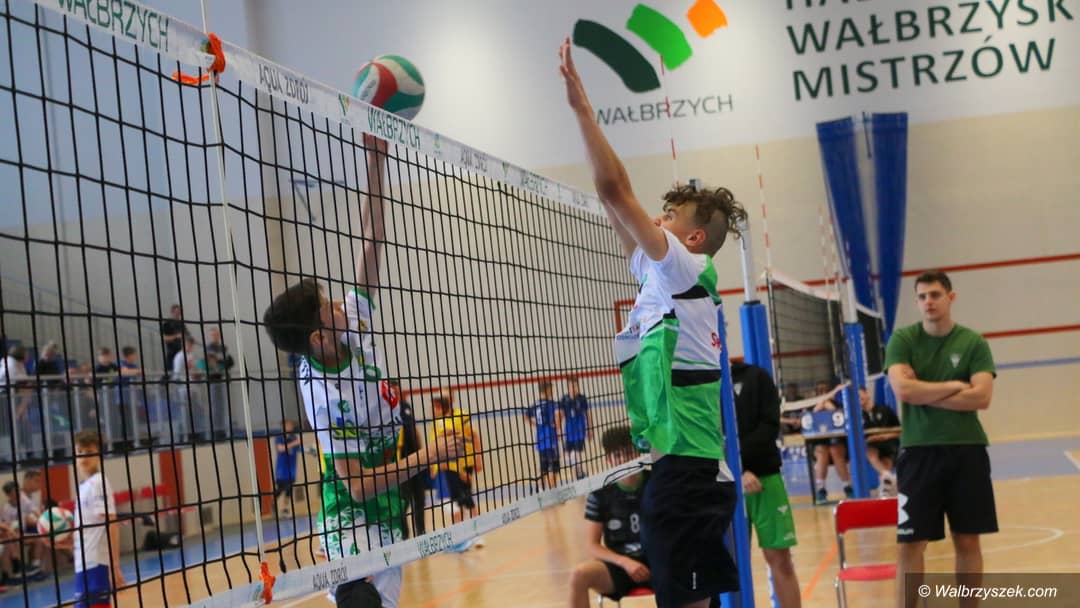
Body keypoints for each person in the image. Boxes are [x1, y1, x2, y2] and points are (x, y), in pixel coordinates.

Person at [560, 39, 747, 608]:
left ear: (693, 237)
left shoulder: (686, 265)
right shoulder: (662, 276)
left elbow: (617, 190)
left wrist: (583, 112)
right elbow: (610, 199)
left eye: (668, 216)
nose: (657, 221)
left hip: (688, 473)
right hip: (677, 471)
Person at [261, 135, 464, 608]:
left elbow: (373, 240)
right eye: (328, 305)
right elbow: (355, 485)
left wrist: (376, 160)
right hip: (349, 516)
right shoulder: (324, 395)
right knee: (361, 599)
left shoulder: (349, 326)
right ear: (318, 338)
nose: (339, 302)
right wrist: (429, 455)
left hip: (389, 507)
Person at [885, 271, 997, 608]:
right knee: (910, 544)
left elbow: (982, 397)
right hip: (918, 454)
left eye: (935, 295)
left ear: (951, 297)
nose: (928, 302)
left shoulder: (973, 343)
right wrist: (954, 386)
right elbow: (903, 390)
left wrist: (924, 392)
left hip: (967, 451)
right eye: (922, 297)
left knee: (967, 541)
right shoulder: (903, 340)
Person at [731, 361, 801, 608]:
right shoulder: (701, 380)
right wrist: (737, 471)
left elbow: (770, 426)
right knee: (730, 565)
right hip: (726, 483)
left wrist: (740, 461)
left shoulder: (756, 376)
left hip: (765, 478)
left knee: (780, 559)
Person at [568, 426, 649, 608]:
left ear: (638, 453)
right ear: (608, 459)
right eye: (617, 455)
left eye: (629, 453)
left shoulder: (655, 484)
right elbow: (592, 545)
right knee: (579, 575)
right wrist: (624, 562)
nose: (624, 460)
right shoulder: (600, 494)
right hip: (618, 566)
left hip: (657, 562)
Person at [71, 430, 125, 608]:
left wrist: (114, 566)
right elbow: (89, 531)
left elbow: (112, 523)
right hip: (83, 565)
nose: (84, 457)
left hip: (96, 564)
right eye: (80, 452)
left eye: (89, 452)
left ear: (99, 455)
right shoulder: (83, 487)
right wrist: (62, 543)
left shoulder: (98, 482)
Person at [428, 393, 484, 551]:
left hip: (462, 465)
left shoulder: (460, 416)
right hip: (449, 467)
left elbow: (474, 435)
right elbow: (434, 447)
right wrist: (434, 466)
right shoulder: (437, 423)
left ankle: (476, 534)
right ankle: (462, 537)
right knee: (456, 502)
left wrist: (478, 458)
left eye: (434, 407)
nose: (431, 410)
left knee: (466, 499)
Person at [390, 379, 426, 538]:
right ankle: (404, 536)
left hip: (415, 461)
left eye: (398, 391)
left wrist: (422, 453)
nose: (397, 394)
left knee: (420, 499)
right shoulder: (387, 411)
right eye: (394, 391)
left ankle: (421, 533)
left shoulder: (405, 407)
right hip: (401, 464)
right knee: (403, 502)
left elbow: (415, 429)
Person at [811, 384, 853, 501]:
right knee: (822, 451)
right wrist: (819, 406)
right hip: (820, 442)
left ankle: (847, 486)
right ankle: (821, 489)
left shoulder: (839, 405)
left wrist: (830, 407)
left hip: (838, 441)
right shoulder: (813, 407)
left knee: (835, 450)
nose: (824, 394)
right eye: (820, 392)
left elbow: (841, 417)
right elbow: (808, 420)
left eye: (826, 391)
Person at [858, 387, 901, 496]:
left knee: (886, 464)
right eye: (856, 397)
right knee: (871, 453)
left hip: (891, 444)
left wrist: (885, 436)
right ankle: (888, 481)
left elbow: (899, 431)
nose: (858, 398)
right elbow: (863, 437)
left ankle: (885, 489)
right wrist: (871, 439)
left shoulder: (885, 410)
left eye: (860, 395)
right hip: (873, 446)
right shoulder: (858, 417)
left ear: (867, 394)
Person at [525, 381, 562, 490]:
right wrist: (558, 429)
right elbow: (557, 416)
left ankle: (541, 490)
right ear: (547, 390)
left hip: (541, 441)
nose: (552, 391)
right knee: (553, 467)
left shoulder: (535, 405)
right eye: (551, 389)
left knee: (543, 468)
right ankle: (553, 492)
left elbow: (525, 416)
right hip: (551, 440)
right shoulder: (552, 404)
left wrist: (535, 424)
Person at [560, 377, 591, 480]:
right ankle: (578, 471)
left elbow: (587, 414)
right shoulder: (564, 399)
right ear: (568, 387)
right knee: (567, 455)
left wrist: (590, 429)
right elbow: (560, 415)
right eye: (571, 386)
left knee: (578, 452)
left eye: (575, 386)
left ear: (578, 386)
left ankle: (578, 474)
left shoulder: (582, 398)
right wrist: (558, 430)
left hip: (580, 430)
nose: (573, 388)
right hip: (568, 431)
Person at [274, 419, 303, 516]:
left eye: (291, 424)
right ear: (284, 426)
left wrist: (310, 450)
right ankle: (273, 503)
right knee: (281, 488)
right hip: (282, 470)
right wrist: (295, 443)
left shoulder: (293, 437)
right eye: (289, 424)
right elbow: (281, 448)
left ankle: (285, 509)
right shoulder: (279, 437)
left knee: (289, 490)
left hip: (292, 469)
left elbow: (299, 449)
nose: (291, 426)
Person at [161, 304, 188, 369]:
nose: (178, 314)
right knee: (170, 371)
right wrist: (176, 336)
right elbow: (164, 337)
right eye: (176, 312)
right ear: (172, 312)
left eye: (179, 312)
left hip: (181, 352)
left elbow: (187, 336)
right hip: (172, 353)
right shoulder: (167, 324)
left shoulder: (181, 324)